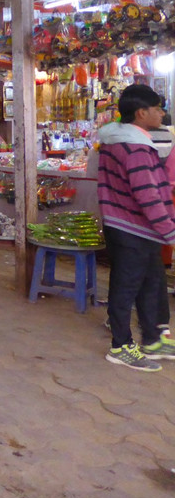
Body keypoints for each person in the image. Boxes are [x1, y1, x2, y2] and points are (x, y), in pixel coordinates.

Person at [97, 84, 175, 371]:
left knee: (151, 283)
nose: (162, 113)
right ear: (142, 113)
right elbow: (148, 195)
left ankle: (153, 340)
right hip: (131, 227)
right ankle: (120, 345)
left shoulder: (122, 140)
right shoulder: (135, 148)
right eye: (157, 108)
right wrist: (169, 231)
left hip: (136, 227)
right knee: (125, 287)